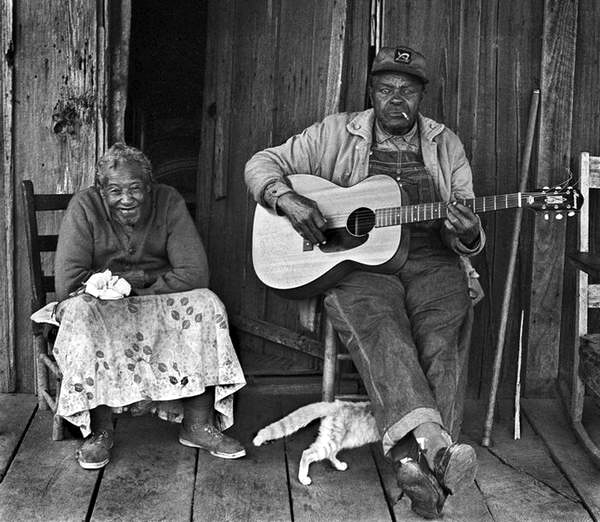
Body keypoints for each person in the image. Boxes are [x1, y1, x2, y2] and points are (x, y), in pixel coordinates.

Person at [245, 46, 485, 518]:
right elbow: (260, 164)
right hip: (358, 266)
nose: (396, 100)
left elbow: (466, 222)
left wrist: (470, 233)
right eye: (386, 89)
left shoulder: (444, 144)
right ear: (371, 92)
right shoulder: (337, 132)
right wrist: (288, 200)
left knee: (441, 336)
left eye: (408, 92)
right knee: (384, 332)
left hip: (433, 258)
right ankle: (433, 451)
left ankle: (419, 475)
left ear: (422, 97)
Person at [54, 143, 246, 470]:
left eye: (135, 189)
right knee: (82, 313)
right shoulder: (84, 207)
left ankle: (197, 425)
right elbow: (70, 282)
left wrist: (136, 287)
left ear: (149, 186)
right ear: (101, 191)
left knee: (207, 303)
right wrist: (125, 282)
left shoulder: (168, 200)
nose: (126, 199)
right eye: (115, 190)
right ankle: (100, 432)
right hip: (100, 303)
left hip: (154, 298)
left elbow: (196, 273)